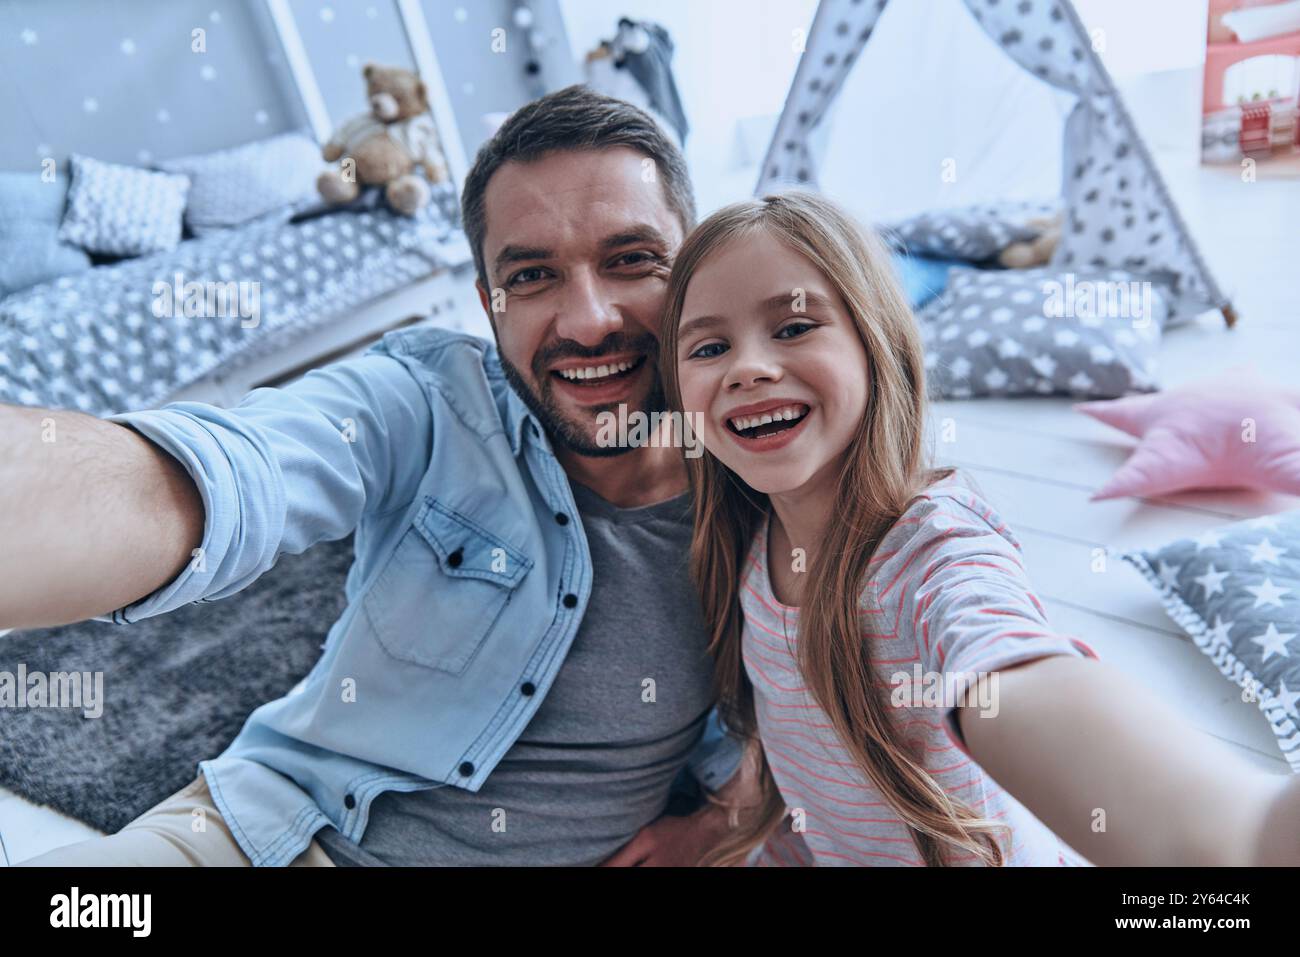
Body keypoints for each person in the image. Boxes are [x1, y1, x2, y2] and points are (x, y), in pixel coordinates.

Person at [3, 85, 749, 867]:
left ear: (695, 266)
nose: (589, 320)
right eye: (532, 277)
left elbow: (808, 697)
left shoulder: (763, 473)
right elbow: (230, 474)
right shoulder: (426, 402)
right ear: (488, 304)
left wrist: (723, 818)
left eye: (631, 260)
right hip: (277, 836)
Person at [659, 190, 1300, 866]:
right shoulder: (748, 541)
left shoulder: (932, 549)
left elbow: (1008, 668)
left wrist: (1246, 836)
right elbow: (801, 757)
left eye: (792, 328)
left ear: (878, 345)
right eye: (709, 346)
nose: (748, 367)